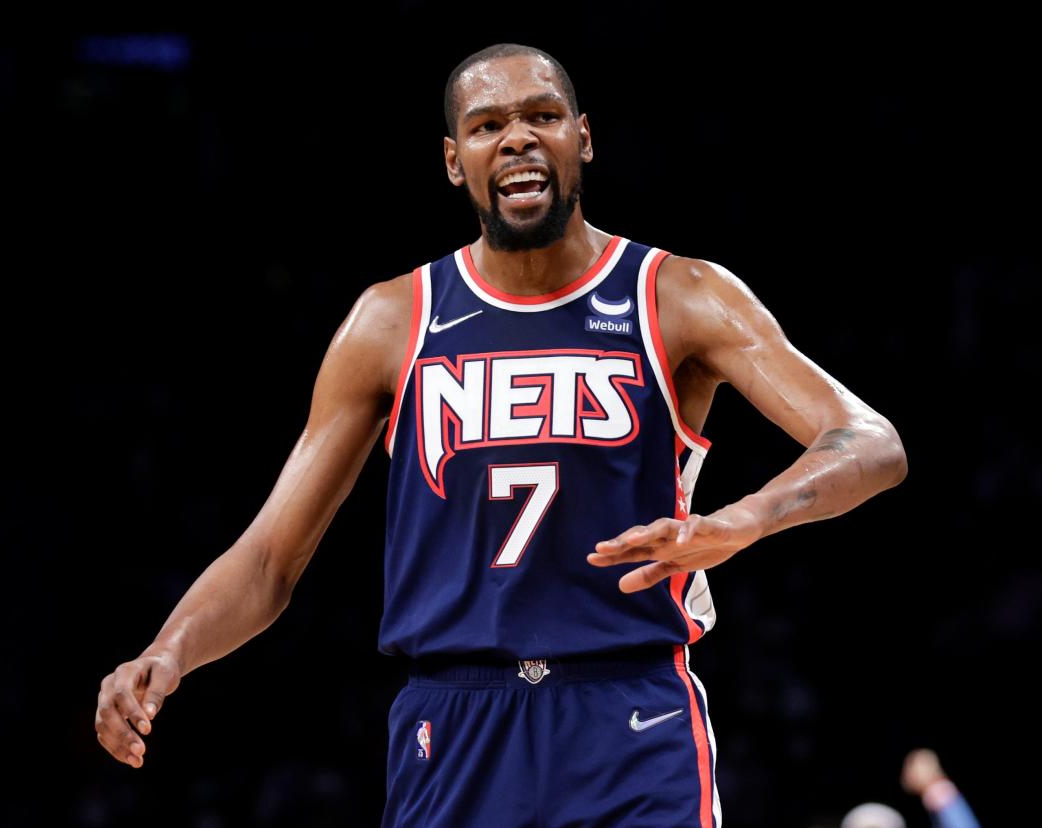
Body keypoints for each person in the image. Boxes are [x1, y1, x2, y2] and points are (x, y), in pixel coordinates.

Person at [94, 42, 908, 826]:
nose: (517, 136)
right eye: (487, 125)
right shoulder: (393, 320)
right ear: (455, 160)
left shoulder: (678, 294)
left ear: (581, 139)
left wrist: (743, 521)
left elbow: (869, 441)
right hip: (454, 719)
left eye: (542, 115)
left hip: (628, 710)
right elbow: (272, 555)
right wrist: (170, 650)